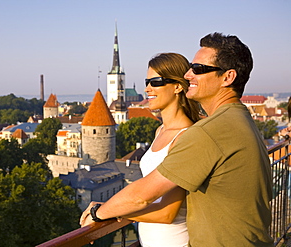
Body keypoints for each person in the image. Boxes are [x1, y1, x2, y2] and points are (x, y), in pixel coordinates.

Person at [80, 32, 273, 246]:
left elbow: (143, 196)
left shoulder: (208, 131)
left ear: (228, 77)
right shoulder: (239, 119)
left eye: (198, 69)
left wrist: (99, 212)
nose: (188, 75)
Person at [81, 53, 201, 246]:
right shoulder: (160, 130)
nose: (147, 89)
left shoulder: (186, 137)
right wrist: (116, 209)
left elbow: (167, 212)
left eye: (155, 82)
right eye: (147, 82)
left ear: (178, 86)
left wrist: (107, 212)